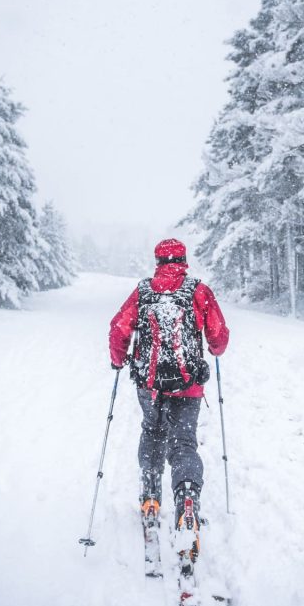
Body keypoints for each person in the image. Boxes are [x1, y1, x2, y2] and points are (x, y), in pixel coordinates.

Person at [108, 238, 229, 558]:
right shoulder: (199, 291)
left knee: (152, 431)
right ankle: (187, 498)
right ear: (184, 260)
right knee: (183, 442)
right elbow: (218, 337)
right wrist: (214, 349)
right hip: (188, 386)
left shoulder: (143, 291)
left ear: (158, 261)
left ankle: (150, 496)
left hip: (149, 385)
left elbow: (119, 328)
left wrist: (118, 359)